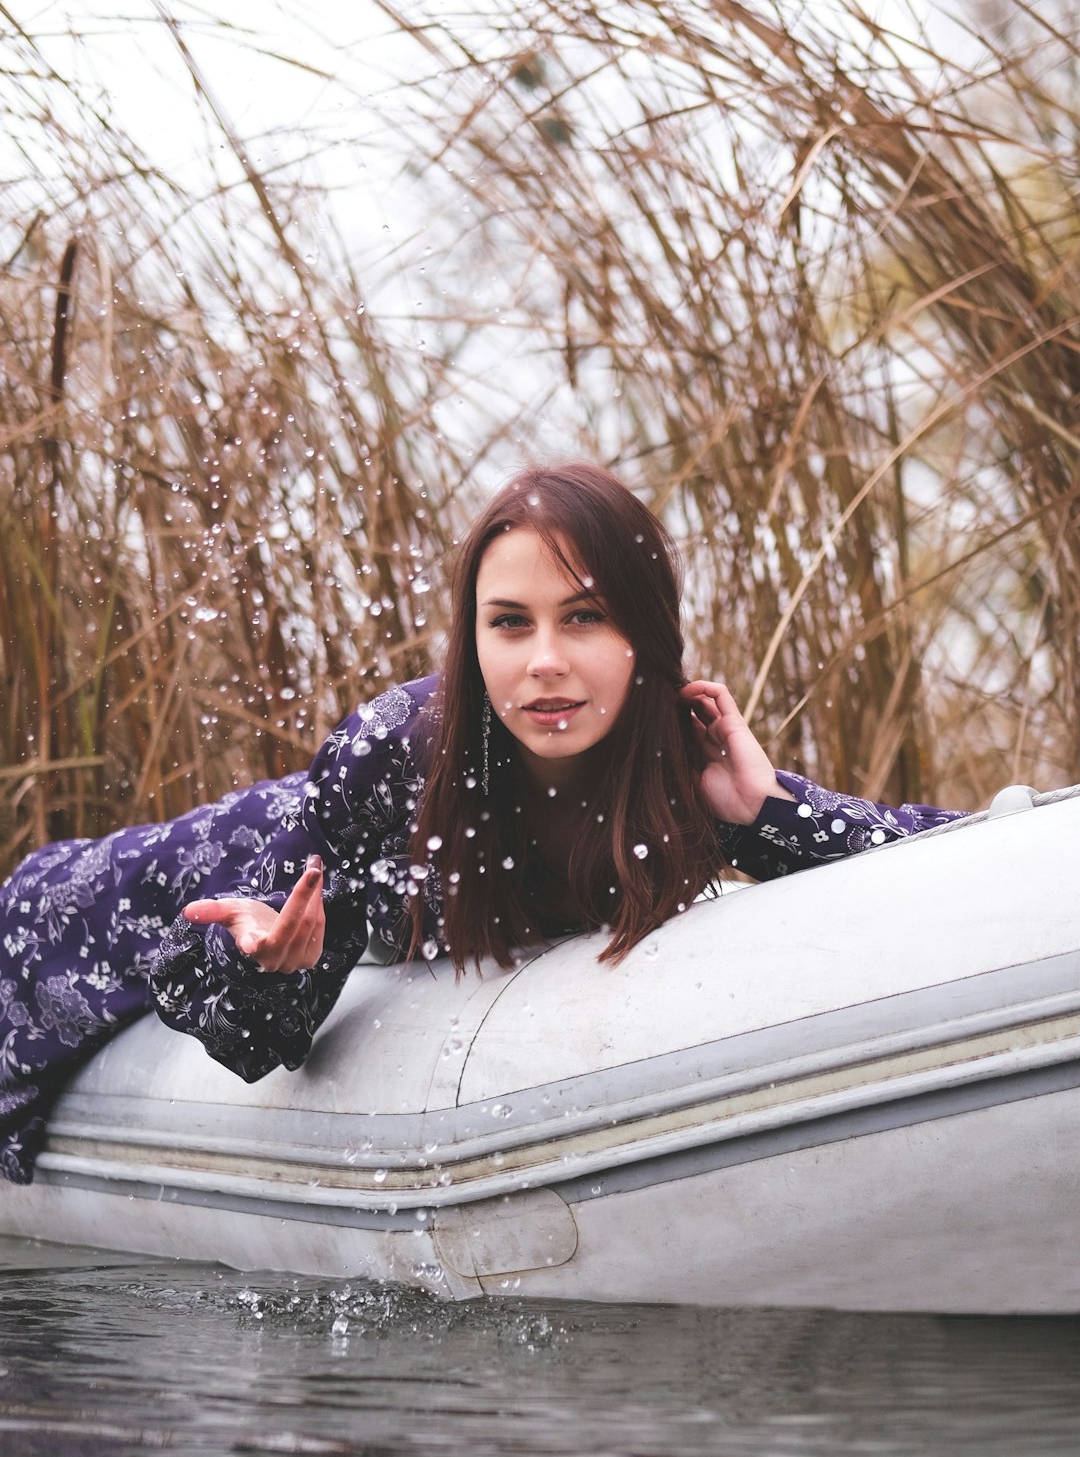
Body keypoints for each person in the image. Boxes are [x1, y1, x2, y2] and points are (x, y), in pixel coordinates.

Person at [0, 463, 965, 1184]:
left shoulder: (685, 765)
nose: (545, 660)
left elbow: (940, 861)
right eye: (510, 622)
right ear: (473, 639)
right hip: (152, 892)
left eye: (583, 617)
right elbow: (260, 1044)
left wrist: (765, 813)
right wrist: (267, 967)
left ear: (645, 637)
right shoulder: (396, 754)